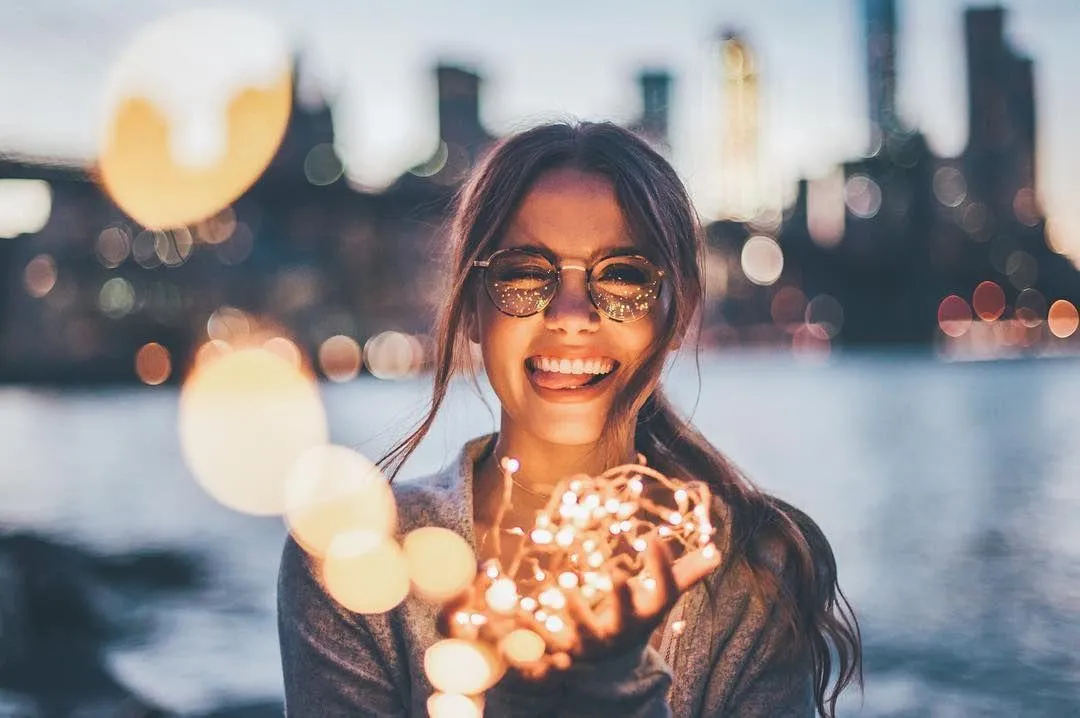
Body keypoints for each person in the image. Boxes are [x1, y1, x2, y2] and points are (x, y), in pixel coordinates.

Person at [278, 121, 862, 717]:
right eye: (526, 273)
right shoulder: (354, 557)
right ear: (472, 307)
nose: (572, 315)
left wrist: (615, 685)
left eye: (623, 275)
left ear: (677, 310)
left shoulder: (753, 573)